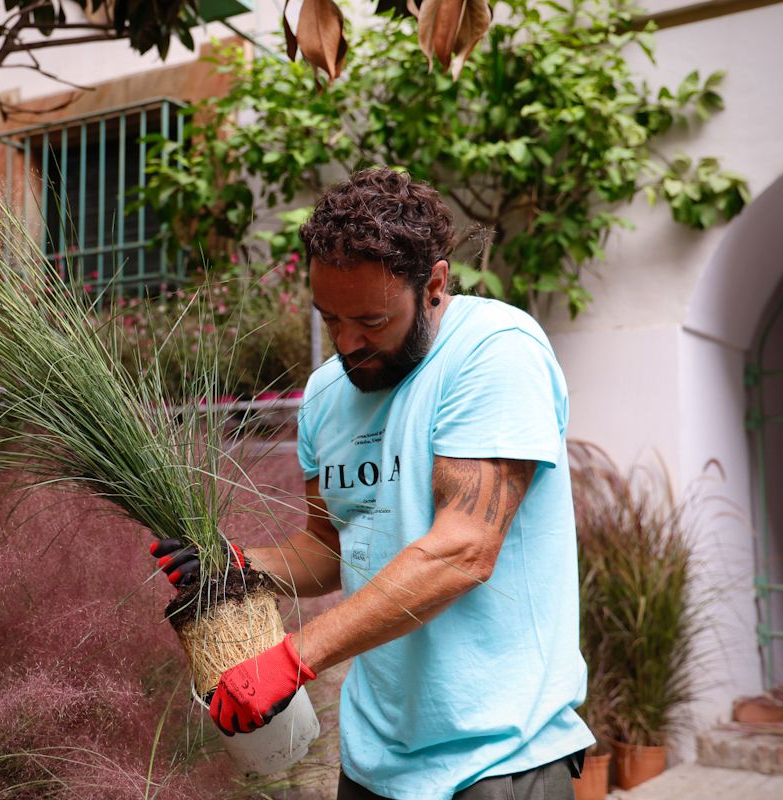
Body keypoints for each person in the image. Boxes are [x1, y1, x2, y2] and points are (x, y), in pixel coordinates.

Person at [152, 168, 594, 800]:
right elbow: (333, 550)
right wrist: (240, 565)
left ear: (434, 284)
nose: (347, 342)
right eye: (329, 318)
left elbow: (462, 551)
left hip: (499, 759)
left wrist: (291, 658)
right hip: (372, 765)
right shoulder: (327, 396)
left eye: (371, 320)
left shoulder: (495, 351)